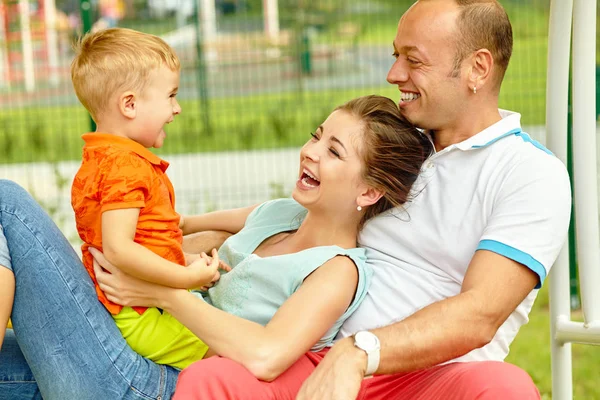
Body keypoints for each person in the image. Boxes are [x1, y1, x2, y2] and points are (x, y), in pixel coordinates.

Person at [121, 0, 567, 399]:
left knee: (505, 389)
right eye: (396, 55)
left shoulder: (528, 173)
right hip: (317, 352)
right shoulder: (395, 143)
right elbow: (288, 218)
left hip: (428, 376)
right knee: (212, 380)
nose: (394, 74)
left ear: (478, 68)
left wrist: (360, 352)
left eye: (414, 60)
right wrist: (182, 238)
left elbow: (480, 314)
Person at [0, 94, 432, 398]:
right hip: (125, 339)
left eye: (334, 152)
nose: (310, 152)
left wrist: (164, 295)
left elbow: (267, 355)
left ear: (369, 193)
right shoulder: (278, 213)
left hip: (158, 383)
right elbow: (175, 226)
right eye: (316, 136)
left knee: (7, 203)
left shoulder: (338, 270)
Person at [70, 27, 222, 369]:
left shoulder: (102, 158)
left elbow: (144, 238)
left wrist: (183, 258)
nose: (177, 108)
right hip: (141, 315)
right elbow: (120, 248)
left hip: (137, 308)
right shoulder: (125, 166)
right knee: (230, 355)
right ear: (130, 104)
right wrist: (187, 279)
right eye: (170, 96)